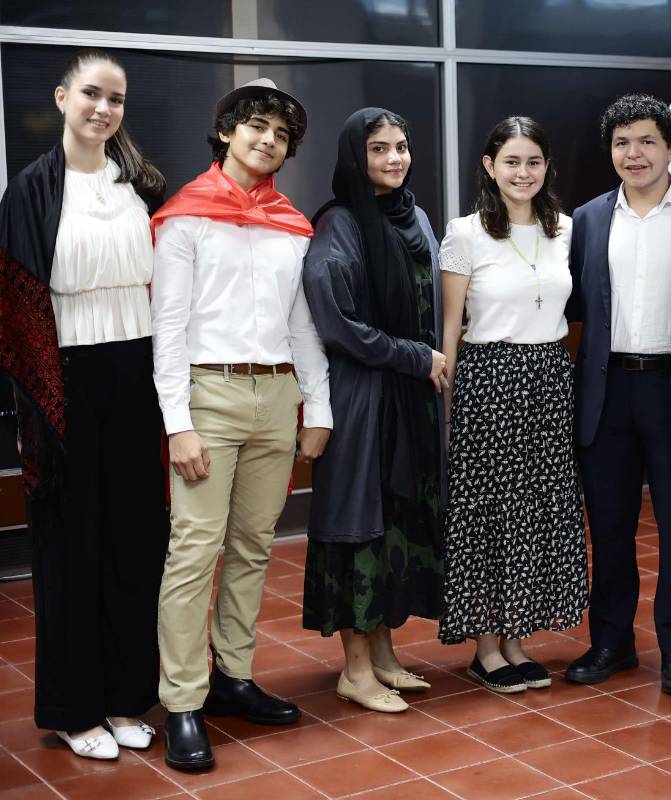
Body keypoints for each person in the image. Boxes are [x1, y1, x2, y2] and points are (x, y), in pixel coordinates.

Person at [151, 78, 331, 771]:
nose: (268, 141)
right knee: (194, 551)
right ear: (227, 132)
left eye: (281, 134)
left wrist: (317, 407)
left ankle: (233, 677)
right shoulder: (184, 218)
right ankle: (184, 702)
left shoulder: (292, 224)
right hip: (208, 397)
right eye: (256, 127)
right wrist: (177, 424)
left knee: (254, 547)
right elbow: (166, 331)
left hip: (275, 399)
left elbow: (301, 323)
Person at [0, 49, 168, 760]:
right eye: (92, 94)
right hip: (64, 384)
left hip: (137, 375)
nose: (104, 108)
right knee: (72, 548)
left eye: (117, 98)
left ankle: (130, 696)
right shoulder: (31, 192)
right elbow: (14, 310)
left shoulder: (144, 188)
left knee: (136, 543)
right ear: (64, 98)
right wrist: (42, 410)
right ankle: (76, 709)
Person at [301, 107, 447, 713]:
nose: (395, 158)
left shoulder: (415, 217)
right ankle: (354, 670)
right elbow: (338, 325)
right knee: (358, 526)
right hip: (362, 397)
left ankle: (384, 656)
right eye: (379, 149)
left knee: (392, 520)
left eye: (402, 145)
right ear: (355, 158)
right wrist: (416, 355)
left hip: (409, 396)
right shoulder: (339, 223)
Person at [564, 94, 671, 696]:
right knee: (611, 523)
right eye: (623, 143)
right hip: (608, 389)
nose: (634, 153)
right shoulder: (588, 218)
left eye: (647, 141)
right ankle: (611, 641)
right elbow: (575, 309)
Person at [438, 116, 585, 694]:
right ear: (489, 166)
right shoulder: (465, 233)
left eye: (533, 162)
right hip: (488, 380)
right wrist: (448, 404)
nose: (522, 173)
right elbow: (450, 325)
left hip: (550, 377)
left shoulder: (566, 229)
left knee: (539, 513)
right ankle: (485, 648)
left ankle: (518, 635)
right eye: (511, 162)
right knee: (492, 514)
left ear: (546, 166)